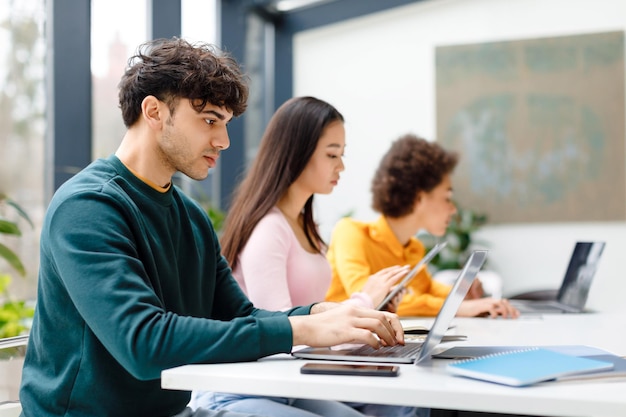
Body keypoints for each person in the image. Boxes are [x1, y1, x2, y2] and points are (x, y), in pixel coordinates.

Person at [18, 38, 405, 417]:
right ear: (153, 112)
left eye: (225, 123)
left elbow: (239, 316)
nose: (223, 141)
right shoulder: (87, 207)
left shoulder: (190, 216)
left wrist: (320, 314)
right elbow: (143, 343)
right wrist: (300, 331)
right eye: (209, 121)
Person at [189, 96, 418, 417]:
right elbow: (284, 331)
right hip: (246, 386)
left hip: (287, 381)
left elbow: (311, 332)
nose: (341, 166)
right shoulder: (269, 229)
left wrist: (372, 313)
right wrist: (364, 302)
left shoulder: (304, 226)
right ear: (296, 154)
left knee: (403, 403)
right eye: (332, 154)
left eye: (342, 154)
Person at [325, 134, 519, 319]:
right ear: (418, 198)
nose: (452, 210)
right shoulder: (350, 232)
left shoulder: (413, 248)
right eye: (447, 198)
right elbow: (369, 298)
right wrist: (457, 307)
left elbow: (427, 289)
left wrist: (461, 291)